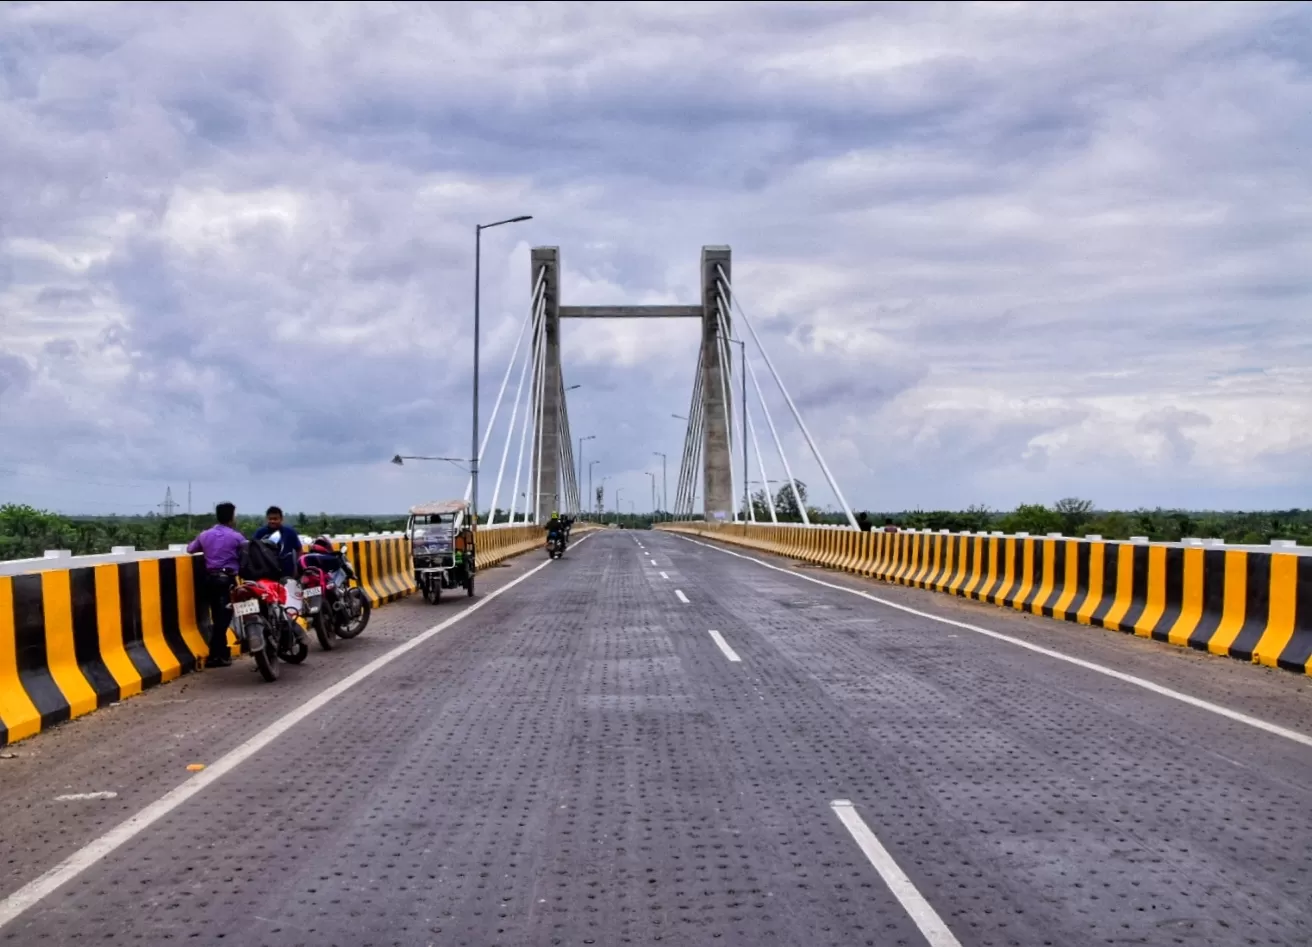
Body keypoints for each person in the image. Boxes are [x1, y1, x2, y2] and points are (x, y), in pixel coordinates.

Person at [187, 502, 247, 669]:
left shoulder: (205, 535)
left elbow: (190, 549)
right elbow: (246, 556)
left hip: (209, 580)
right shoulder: (237, 537)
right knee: (224, 618)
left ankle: (220, 653)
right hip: (227, 580)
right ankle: (217, 654)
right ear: (232, 517)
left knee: (217, 615)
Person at [252, 506, 304, 579]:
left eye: (275, 519)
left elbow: (299, 550)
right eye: (270, 519)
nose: (272, 521)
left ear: (281, 519)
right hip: (265, 574)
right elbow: (253, 550)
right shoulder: (260, 533)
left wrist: (298, 569)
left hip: (286, 573)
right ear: (267, 519)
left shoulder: (290, 533)